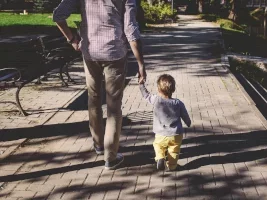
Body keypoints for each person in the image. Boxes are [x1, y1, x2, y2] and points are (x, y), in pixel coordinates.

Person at [53, 0, 146, 170]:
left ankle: (99, 145)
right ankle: (110, 157)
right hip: (115, 53)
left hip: (90, 53)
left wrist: (72, 39)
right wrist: (140, 63)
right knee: (114, 107)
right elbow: (130, 28)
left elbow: (58, 15)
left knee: (93, 99)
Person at [139, 74, 191, 171]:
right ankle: (172, 166)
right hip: (176, 134)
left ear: (159, 90)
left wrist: (141, 85)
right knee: (174, 151)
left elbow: (146, 95)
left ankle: (160, 157)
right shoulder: (178, 103)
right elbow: (185, 115)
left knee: (158, 145)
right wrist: (188, 123)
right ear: (173, 89)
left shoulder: (156, 100)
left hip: (160, 134)